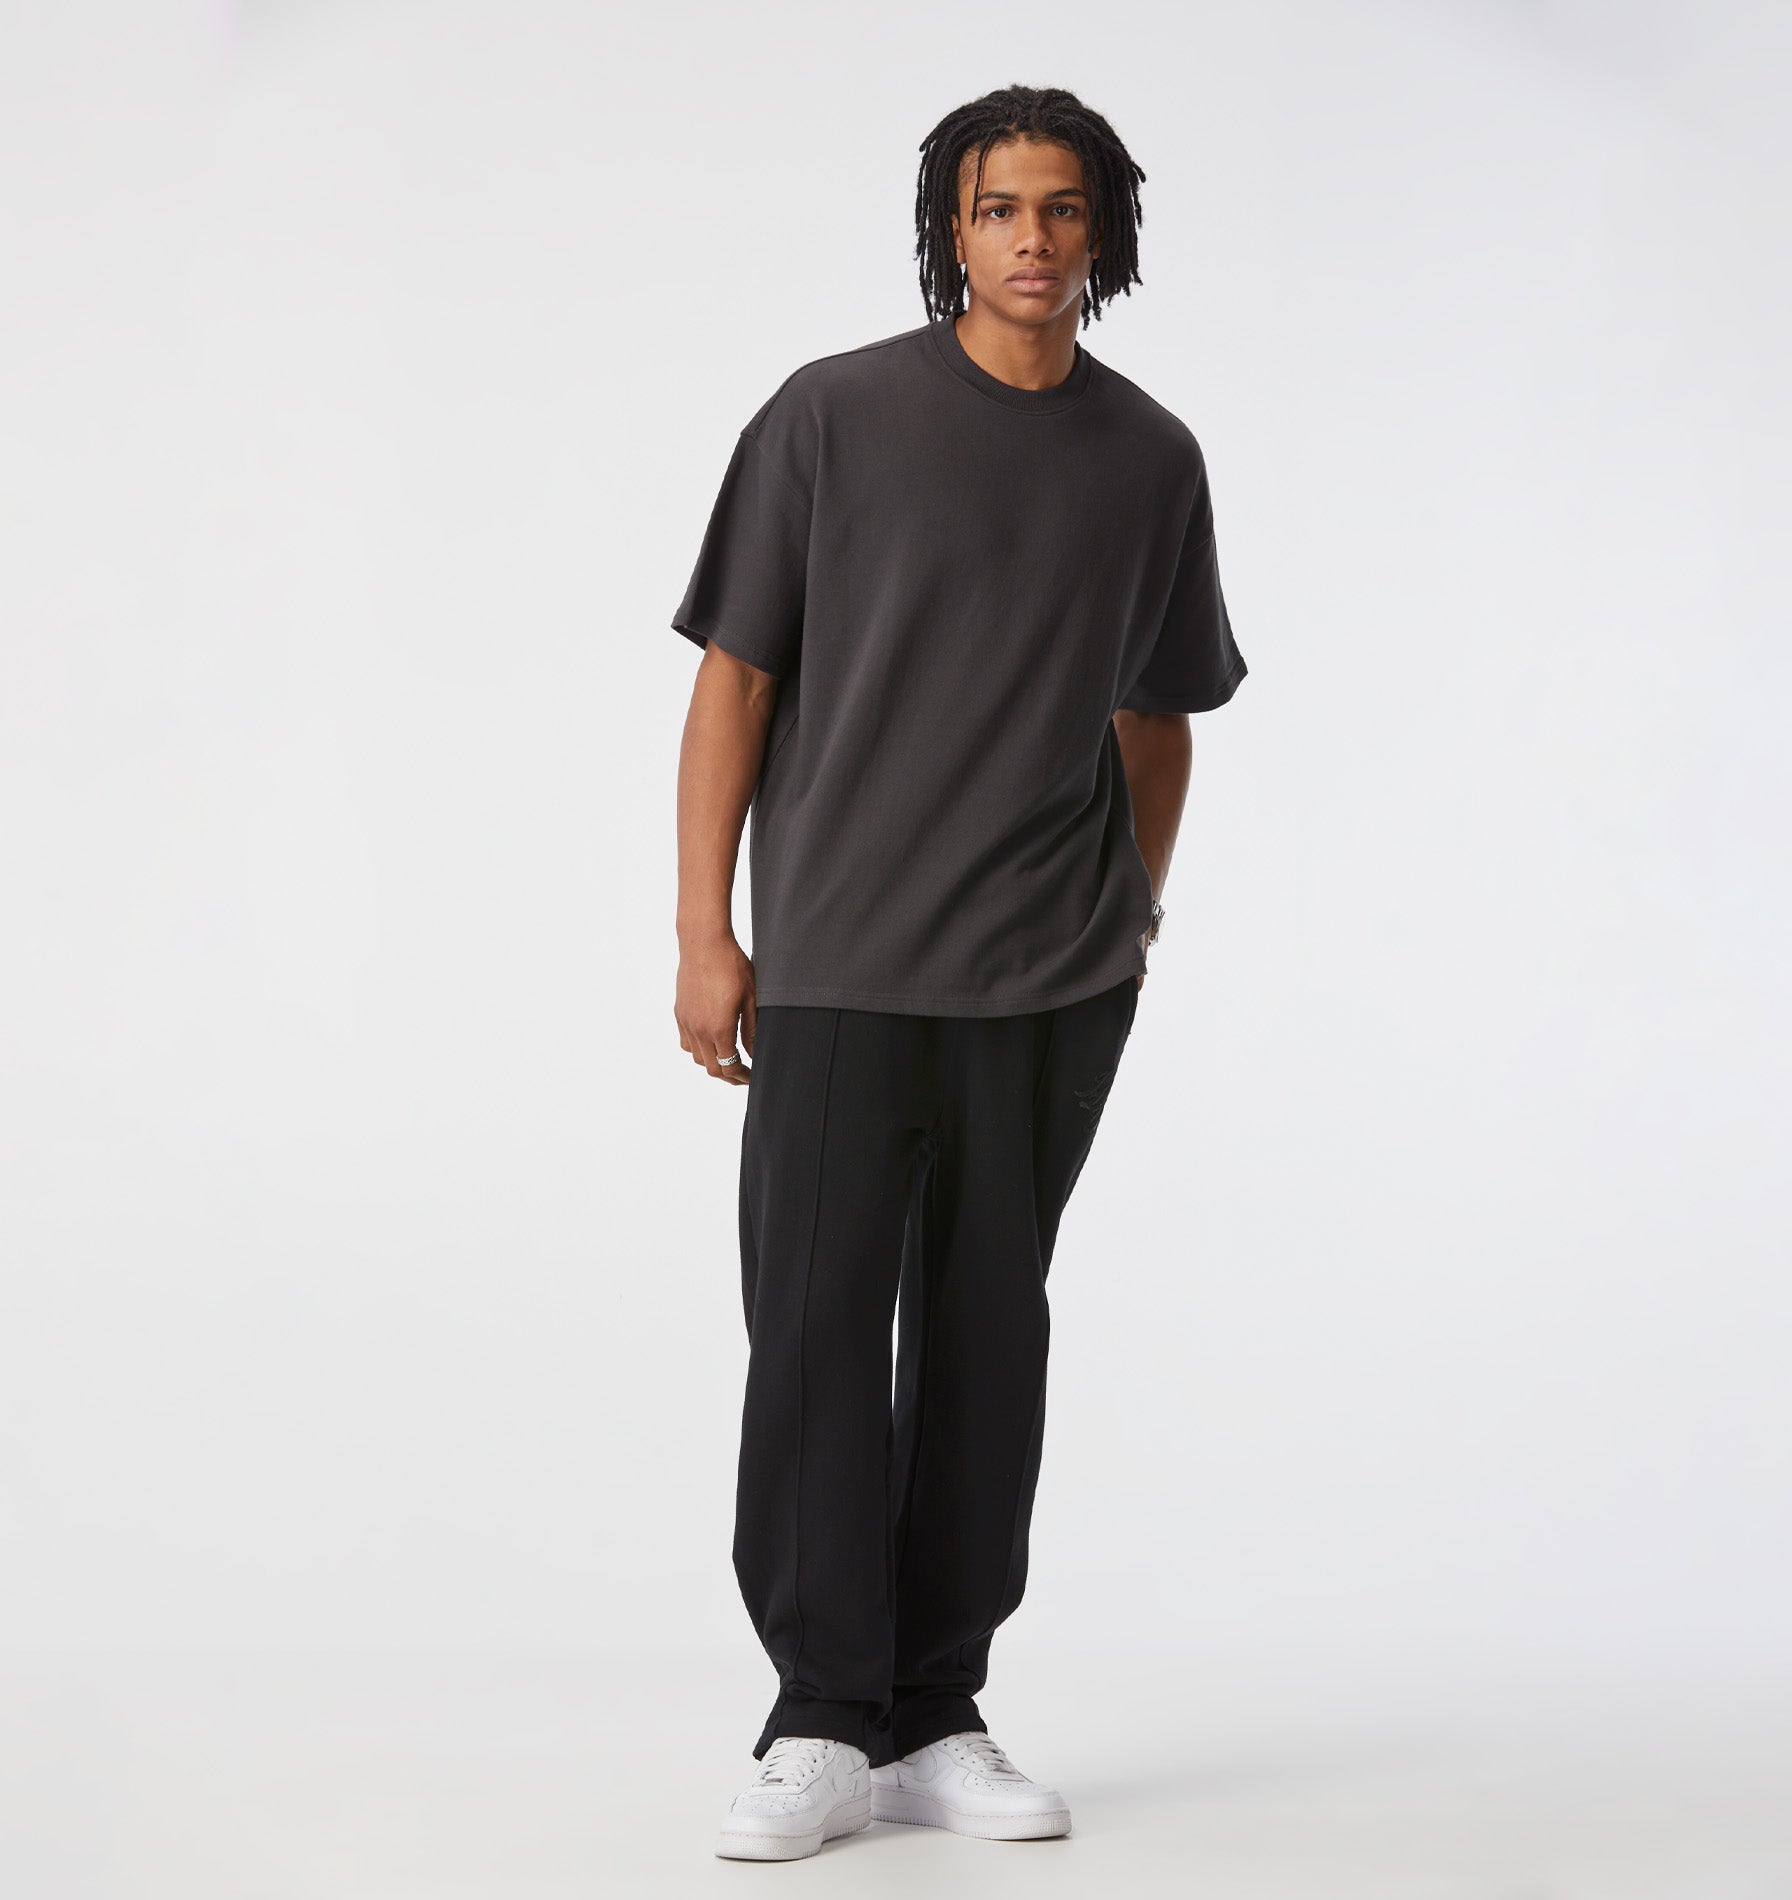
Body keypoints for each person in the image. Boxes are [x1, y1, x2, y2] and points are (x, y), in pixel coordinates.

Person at [669, 83, 1248, 1862]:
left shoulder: (1151, 460)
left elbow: (1162, 718)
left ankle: (934, 1707)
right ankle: (819, 1716)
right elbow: (736, 681)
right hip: (843, 961)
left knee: (992, 1333)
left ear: (1106, 233)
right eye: (1000, 210)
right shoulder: (831, 417)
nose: (1033, 241)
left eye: (1064, 210)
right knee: (819, 1329)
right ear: (951, 231)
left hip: (1050, 979)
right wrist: (706, 930)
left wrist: (1130, 915)